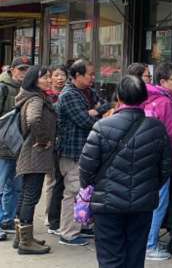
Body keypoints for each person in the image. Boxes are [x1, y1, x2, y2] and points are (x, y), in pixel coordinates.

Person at [79, 75, 172, 268]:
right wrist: (148, 186)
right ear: (145, 98)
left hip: (107, 203)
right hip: (142, 204)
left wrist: (92, 186)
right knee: (135, 257)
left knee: (110, 257)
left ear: (118, 98)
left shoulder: (101, 127)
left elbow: (86, 168)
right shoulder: (157, 128)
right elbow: (166, 167)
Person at [56, 59, 100, 247]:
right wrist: (92, 113)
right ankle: (68, 233)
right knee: (73, 191)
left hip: (86, 150)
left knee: (84, 191)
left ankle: (80, 224)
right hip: (72, 152)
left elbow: (105, 105)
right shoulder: (69, 94)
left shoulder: (89, 92)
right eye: (89, 74)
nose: (93, 77)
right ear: (77, 76)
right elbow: (85, 121)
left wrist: (95, 111)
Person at [14, 65, 56, 255]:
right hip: (35, 154)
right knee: (31, 195)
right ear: (34, 80)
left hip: (30, 153)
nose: (49, 80)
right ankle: (26, 242)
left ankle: (22, 237)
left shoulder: (30, 96)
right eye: (45, 77)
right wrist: (43, 139)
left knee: (25, 194)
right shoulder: (36, 99)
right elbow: (33, 120)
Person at [144, 62, 172, 261]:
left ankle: (146, 241)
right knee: (159, 203)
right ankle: (150, 244)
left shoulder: (146, 97)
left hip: (145, 157)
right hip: (163, 159)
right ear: (163, 81)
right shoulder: (166, 102)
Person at [0, 57, 30, 235]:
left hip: (19, 145)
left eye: (27, 69)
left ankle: (7, 220)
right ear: (12, 70)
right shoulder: (3, 87)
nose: (24, 73)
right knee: (2, 185)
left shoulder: (25, 89)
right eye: (21, 69)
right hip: (3, 145)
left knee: (15, 186)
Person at [43, 65, 67, 236]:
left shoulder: (68, 94)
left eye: (62, 75)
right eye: (56, 75)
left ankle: (57, 215)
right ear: (50, 78)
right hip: (51, 143)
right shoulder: (46, 96)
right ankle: (48, 215)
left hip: (63, 142)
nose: (60, 78)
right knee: (52, 180)